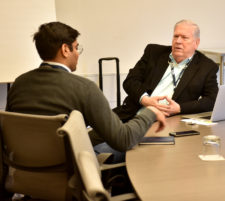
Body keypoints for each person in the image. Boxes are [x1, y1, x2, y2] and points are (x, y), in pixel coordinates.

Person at [6, 21, 166, 156]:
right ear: (65, 50)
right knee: (138, 152)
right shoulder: (84, 88)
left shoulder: (19, 84)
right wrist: (150, 111)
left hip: (24, 172)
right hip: (69, 174)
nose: (78, 53)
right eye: (76, 48)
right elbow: (124, 140)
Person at [113, 20, 219, 122]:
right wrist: (146, 100)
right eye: (176, 36)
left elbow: (212, 100)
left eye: (184, 38)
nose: (178, 41)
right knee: (100, 132)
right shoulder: (154, 53)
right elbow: (130, 81)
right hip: (132, 115)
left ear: (196, 43)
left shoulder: (206, 67)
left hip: (167, 121)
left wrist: (179, 108)